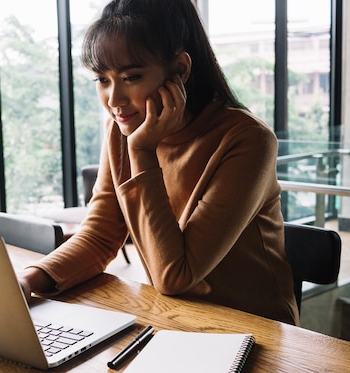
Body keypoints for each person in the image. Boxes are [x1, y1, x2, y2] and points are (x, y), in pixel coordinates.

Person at [17, 0, 299, 325]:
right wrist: (27, 281)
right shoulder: (122, 129)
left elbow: (175, 276)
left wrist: (141, 153)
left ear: (179, 70)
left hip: (256, 331)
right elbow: (100, 235)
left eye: (131, 77)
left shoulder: (248, 140)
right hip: (173, 319)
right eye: (102, 80)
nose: (114, 100)